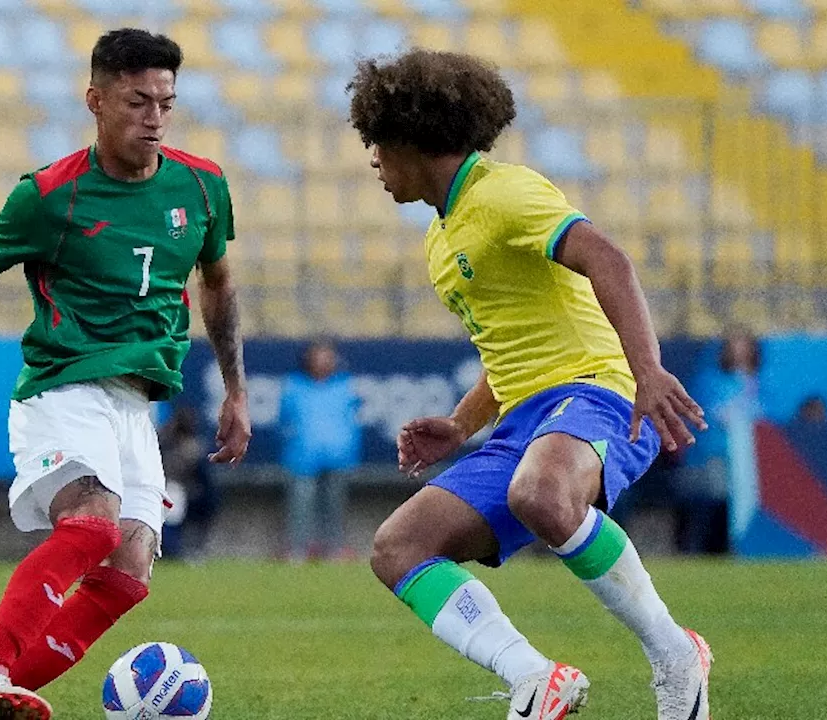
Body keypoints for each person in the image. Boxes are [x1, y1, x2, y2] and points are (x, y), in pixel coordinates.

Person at [0, 29, 250, 720]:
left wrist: (235, 390)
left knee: (130, 570)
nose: (154, 117)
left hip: (137, 404)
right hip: (64, 388)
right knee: (91, 527)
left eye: (166, 102)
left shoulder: (203, 185)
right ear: (95, 100)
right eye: (137, 101)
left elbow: (217, 284)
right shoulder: (49, 196)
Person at [348, 50, 712, 720]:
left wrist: (646, 368)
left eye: (376, 142)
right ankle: (537, 679)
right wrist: (462, 424)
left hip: (598, 390)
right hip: (527, 418)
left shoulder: (503, 193)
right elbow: (510, 346)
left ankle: (675, 653)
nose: (371, 158)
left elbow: (608, 258)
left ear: (410, 138)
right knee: (398, 547)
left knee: (542, 494)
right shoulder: (441, 234)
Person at [677, 328, 762, 555]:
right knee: (714, 502)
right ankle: (703, 551)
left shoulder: (759, 383)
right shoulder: (710, 381)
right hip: (715, 457)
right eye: (735, 347)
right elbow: (706, 417)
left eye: (744, 347)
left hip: (751, 461)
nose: (739, 352)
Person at [277, 339, 362, 561]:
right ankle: (297, 551)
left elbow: (351, 420)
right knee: (301, 506)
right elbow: (285, 420)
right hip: (302, 457)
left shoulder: (344, 385)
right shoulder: (294, 386)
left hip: (338, 456)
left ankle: (334, 550)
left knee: (334, 507)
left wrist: (347, 447)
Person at [157, 404, 220, 560]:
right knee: (172, 502)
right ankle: (168, 549)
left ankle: (177, 548)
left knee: (177, 501)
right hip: (163, 488)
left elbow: (202, 478)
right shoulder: (163, 441)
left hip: (182, 491)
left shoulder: (192, 447)